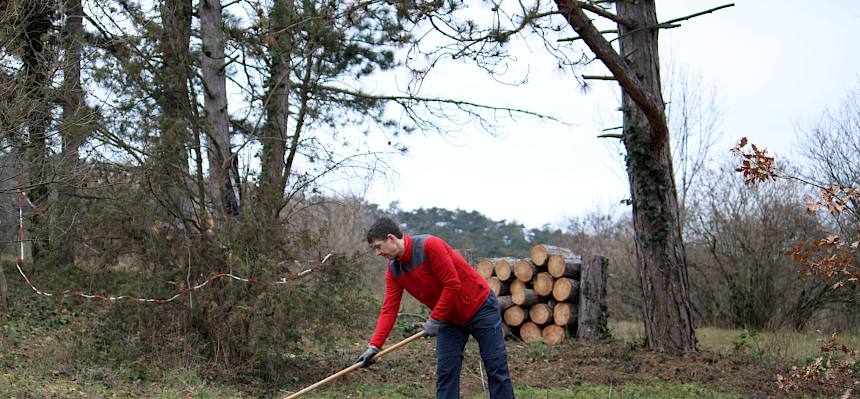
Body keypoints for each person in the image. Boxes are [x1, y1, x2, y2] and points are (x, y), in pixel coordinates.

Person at [358, 217, 515, 399]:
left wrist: (435, 318)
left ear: (391, 238)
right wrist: (374, 346)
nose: (377, 253)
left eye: (378, 246)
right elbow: (389, 309)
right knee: (446, 373)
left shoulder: (429, 245)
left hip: (480, 307)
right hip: (449, 318)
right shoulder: (394, 270)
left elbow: (452, 284)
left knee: (496, 368)